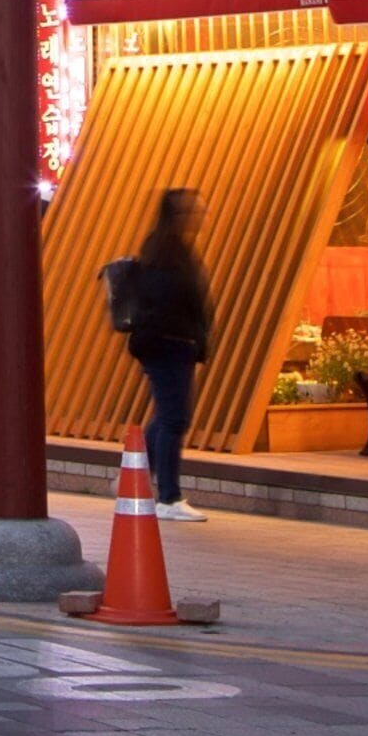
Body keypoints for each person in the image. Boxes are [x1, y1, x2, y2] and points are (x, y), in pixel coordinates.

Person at [126, 187, 212, 521]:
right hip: (168, 344)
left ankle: (135, 472)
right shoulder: (166, 254)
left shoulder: (170, 250)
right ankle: (168, 497)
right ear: (179, 216)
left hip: (172, 343)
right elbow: (170, 303)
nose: (202, 219)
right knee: (174, 418)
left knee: (167, 416)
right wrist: (192, 336)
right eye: (197, 212)